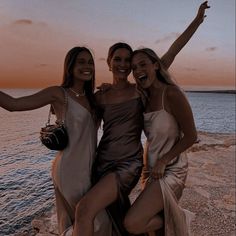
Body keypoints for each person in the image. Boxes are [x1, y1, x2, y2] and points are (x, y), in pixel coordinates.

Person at [72, 2, 209, 235]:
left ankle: (176, 218)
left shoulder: (156, 92)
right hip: (138, 165)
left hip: (154, 166)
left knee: (117, 219)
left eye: (137, 63)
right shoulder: (122, 95)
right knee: (127, 220)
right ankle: (165, 218)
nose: (131, 68)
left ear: (155, 65)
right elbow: (88, 118)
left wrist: (197, 20)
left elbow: (175, 49)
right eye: (128, 64)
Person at [0, 47, 111, 236]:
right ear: (70, 66)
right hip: (69, 170)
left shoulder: (95, 98)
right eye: (81, 62)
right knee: (94, 221)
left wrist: (112, 88)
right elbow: (14, 105)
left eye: (90, 62)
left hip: (90, 169)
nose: (87, 66)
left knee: (91, 222)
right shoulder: (59, 94)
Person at [123, 48, 197, 235]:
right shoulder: (144, 97)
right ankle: (170, 220)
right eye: (134, 68)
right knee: (153, 232)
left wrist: (164, 160)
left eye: (143, 64)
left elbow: (191, 136)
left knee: (133, 223)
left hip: (171, 168)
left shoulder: (171, 94)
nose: (138, 70)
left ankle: (178, 217)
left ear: (156, 65)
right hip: (150, 168)